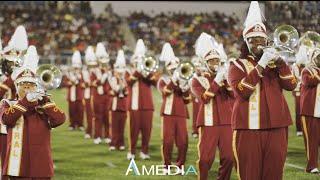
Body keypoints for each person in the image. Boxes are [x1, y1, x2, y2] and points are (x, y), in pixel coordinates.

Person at [228, 1, 297, 180]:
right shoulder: (236, 64)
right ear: (246, 42)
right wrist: (261, 65)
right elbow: (242, 91)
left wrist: (282, 64)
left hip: (277, 127)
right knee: (249, 174)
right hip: (248, 128)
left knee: (274, 174)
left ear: (266, 40)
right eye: (253, 40)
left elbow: (291, 85)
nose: (258, 43)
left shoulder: (277, 63)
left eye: (261, 39)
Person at [0, 45, 65, 179]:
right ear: (17, 87)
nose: (27, 88)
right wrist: (25, 101)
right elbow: (7, 119)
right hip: (18, 164)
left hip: (41, 163)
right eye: (23, 85)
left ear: (37, 86)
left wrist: (45, 101)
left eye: (31, 85)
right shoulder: (8, 103)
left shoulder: (44, 105)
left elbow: (60, 119)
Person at [192, 32, 234, 180]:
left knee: (229, 157)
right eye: (212, 61)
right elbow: (204, 98)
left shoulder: (224, 77)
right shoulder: (198, 80)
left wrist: (227, 82)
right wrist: (216, 81)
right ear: (206, 63)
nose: (215, 64)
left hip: (226, 121)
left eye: (217, 61)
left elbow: (234, 96)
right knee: (205, 160)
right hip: (208, 122)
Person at [157, 43, 191, 173]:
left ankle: (180, 165)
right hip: (168, 113)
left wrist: (185, 88)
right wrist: (175, 81)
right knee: (167, 141)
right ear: (167, 68)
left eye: (175, 68)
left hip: (181, 113)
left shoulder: (184, 80)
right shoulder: (163, 79)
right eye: (172, 68)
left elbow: (187, 101)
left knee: (183, 142)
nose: (173, 70)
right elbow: (165, 92)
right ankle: (166, 165)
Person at [0, 25, 28, 180]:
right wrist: (11, 79)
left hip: (18, 119)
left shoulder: (19, 76)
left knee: (17, 156)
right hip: (2, 119)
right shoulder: (5, 77)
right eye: (10, 62)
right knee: (4, 156)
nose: (13, 65)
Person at [126, 39, 158, 160]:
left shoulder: (149, 72)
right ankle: (132, 151)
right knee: (133, 130)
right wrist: (139, 71)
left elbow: (155, 82)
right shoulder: (129, 71)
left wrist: (147, 73)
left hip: (147, 106)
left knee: (147, 130)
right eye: (137, 60)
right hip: (134, 105)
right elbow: (129, 82)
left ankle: (145, 151)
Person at [300, 48, 320, 174]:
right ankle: (311, 165)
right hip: (310, 111)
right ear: (313, 58)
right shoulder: (307, 70)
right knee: (312, 140)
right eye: (318, 57)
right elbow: (308, 81)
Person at [109, 50, 128, 151]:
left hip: (123, 105)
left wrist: (123, 82)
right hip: (115, 105)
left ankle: (121, 143)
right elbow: (116, 89)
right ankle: (113, 143)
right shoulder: (113, 79)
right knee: (115, 126)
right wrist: (120, 81)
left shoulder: (125, 79)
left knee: (122, 126)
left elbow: (127, 92)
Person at [94, 43, 112, 144]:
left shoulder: (109, 71)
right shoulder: (95, 71)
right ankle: (97, 135)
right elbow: (96, 82)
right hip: (98, 96)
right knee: (98, 117)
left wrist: (108, 74)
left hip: (107, 96)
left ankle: (107, 135)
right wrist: (104, 75)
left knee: (107, 117)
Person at [65, 51, 85, 131]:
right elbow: (65, 82)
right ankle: (72, 124)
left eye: (77, 67)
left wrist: (79, 79)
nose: (76, 68)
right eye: (75, 67)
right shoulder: (69, 73)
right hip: (71, 94)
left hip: (79, 94)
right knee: (72, 110)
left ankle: (80, 124)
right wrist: (69, 83)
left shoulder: (82, 73)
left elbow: (84, 82)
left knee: (80, 110)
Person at [292, 45, 308, 136]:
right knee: (298, 110)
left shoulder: (305, 66)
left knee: (306, 110)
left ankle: (305, 127)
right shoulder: (295, 66)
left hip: (305, 90)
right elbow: (295, 79)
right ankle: (299, 129)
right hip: (298, 90)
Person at [82, 46, 96, 139]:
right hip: (87, 95)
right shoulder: (84, 71)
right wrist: (91, 84)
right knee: (89, 115)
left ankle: (98, 132)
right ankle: (89, 131)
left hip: (96, 95)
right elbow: (83, 84)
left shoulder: (96, 71)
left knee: (97, 115)